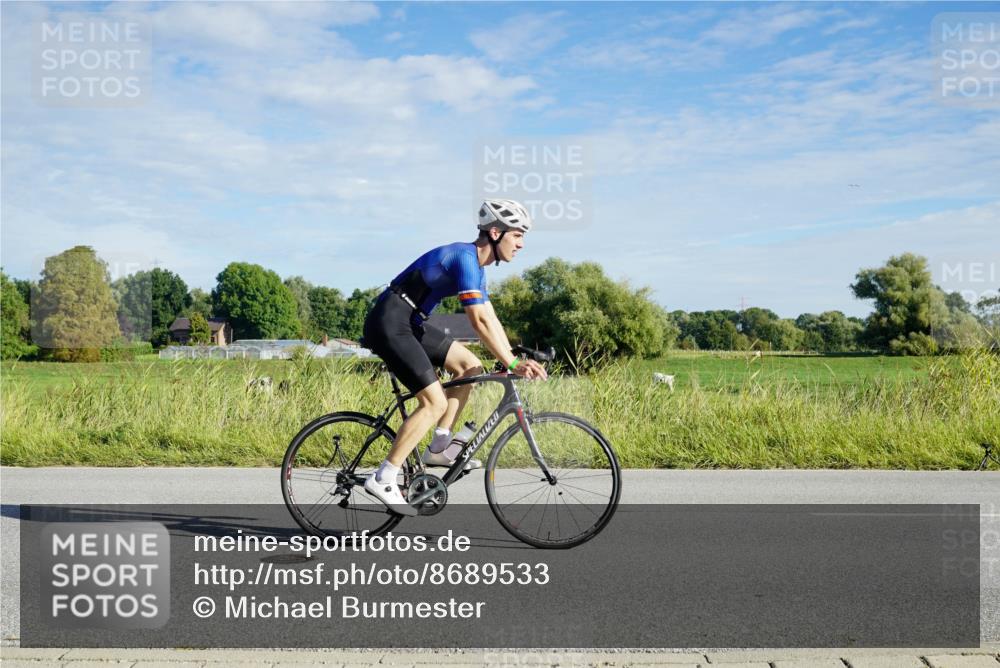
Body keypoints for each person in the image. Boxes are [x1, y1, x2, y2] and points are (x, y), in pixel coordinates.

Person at [361, 199, 548, 515]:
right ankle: (384, 476)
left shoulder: (476, 267)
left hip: (412, 321)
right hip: (390, 322)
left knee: (469, 366)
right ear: (494, 232)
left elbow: (490, 317)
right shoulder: (464, 258)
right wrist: (514, 364)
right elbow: (478, 321)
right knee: (433, 402)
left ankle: (439, 447)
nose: (521, 244)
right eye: (517, 235)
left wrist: (510, 357)